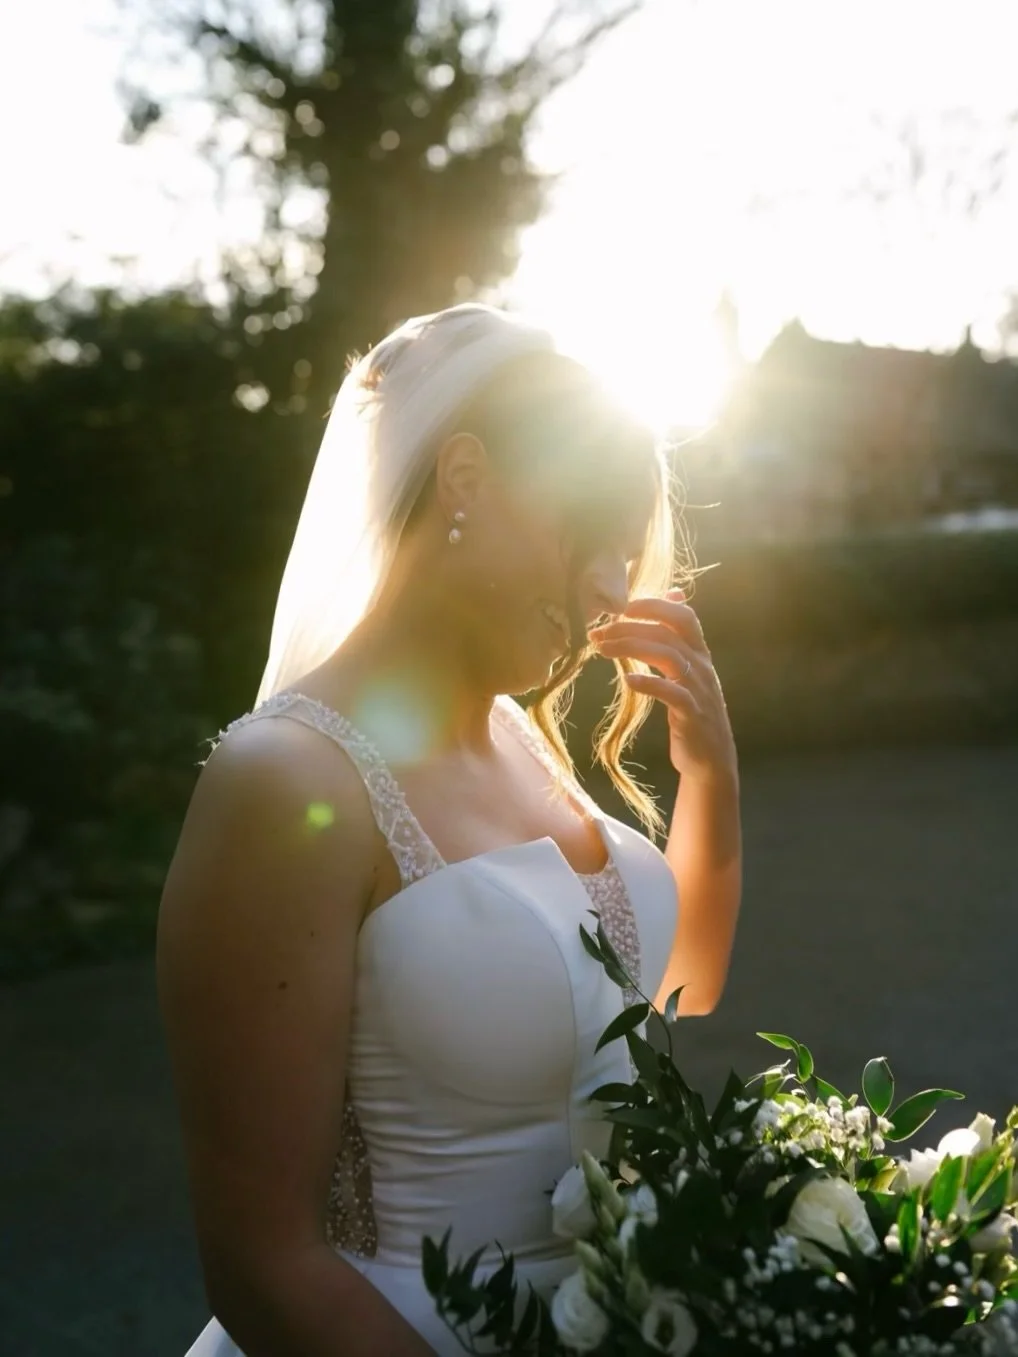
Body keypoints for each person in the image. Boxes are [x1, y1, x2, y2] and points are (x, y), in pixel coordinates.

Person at [159, 304, 742, 1357]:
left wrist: (709, 780)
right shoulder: (284, 783)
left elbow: (679, 992)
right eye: (590, 528)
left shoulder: (525, 743)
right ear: (464, 478)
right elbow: (263, 1260)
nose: (613, 583)